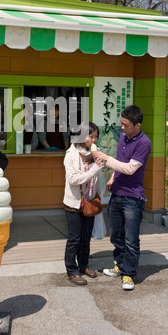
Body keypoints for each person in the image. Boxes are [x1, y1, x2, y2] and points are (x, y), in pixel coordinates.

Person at [93, 105, 151, 290]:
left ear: (137, 125)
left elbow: (130, 168)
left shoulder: (144, 143)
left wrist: (106, 158)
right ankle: (120, 266)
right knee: (116, 236)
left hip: (133, 198)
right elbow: (122, 163)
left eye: (126, 125)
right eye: (121, 124)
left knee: (131, 239)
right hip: (116, 194)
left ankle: (129, 275)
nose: (122, 128)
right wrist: (112, 177)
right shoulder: (124, 137)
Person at [63, 121, 103, 285]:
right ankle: (71, 271)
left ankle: (83, 265)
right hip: (74, 203)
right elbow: (72, 180)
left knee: (86, 237)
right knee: (74, 238)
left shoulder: (96, 153)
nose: (94, 140)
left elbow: (98, 177)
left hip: (90, 200)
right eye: (91, 136)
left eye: (96, 137)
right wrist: (94, 170)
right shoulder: (71, 154)